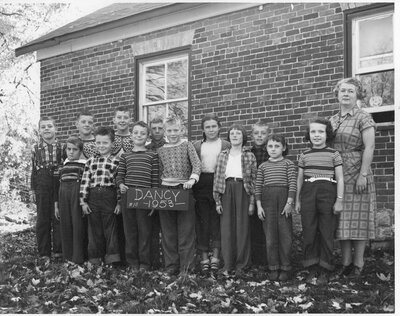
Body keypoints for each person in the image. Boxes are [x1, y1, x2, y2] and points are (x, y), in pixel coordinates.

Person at [329, 77, 376, 277]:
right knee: (343, 220)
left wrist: (363, 174)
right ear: (337, 95)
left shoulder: (363, 117)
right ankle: (345, 262)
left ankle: (358, 264)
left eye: (350, 91)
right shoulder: (332, 120)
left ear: (357, 95)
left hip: (358, 171)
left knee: (359, 219)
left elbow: (370, 146)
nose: (346, 94)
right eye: (343, 91)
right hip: (338, 174)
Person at [295, 118, 344, 285]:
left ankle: (325, 269)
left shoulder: (334, 154)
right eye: (313, 132)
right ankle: (312, 267)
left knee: (326, 231)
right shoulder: (304, 155)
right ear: (308, 135)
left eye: (320, 132)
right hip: (308, 193)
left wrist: (339, 200)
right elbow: (300, 178)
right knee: (309, 230)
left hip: (328, 193)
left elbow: (340, 178)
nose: (317, 135)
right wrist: (297, 200)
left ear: (327, 134)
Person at [157, 116, 201, 276]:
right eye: (169, 130)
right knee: (168, 231)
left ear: (181, 130)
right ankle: (171, 266)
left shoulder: (187, 145)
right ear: (165, 132)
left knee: (186, 230)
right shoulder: (161, 150)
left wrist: (192, 179)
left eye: (176, 130)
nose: (173, 133)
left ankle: (187, 267)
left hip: (184, 189)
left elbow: (196, 164)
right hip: (166, 190)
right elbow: (160, 171)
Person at [213, 124, 257, 277]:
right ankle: (228, 264)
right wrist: (217, 201)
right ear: (229, 136)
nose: (235, 136)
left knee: (242, 229)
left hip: (243, 190)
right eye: (232, 133)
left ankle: (242, 265)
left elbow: (254, 180)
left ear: (243, 136)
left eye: (238, 133)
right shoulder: (223, 155)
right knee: (226, 229)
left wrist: (252, 202)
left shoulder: (249, 155)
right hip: (226, 190)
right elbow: (217, 178)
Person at [116, 121, 159, 272]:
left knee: (145, 231)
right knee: (130, 231)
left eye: (142, 133)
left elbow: (155, 180)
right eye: (136, 133)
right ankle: (132, 262)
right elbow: (120, 176)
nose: (139, 135)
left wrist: (154, 201)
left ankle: (145, 263)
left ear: (147, 136)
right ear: (131, 136)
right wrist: (121, 184)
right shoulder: (125, 156)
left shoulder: (152, 155)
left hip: (145, 197)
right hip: (128, 196)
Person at [192, 114, 231, 275]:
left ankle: (215, 257)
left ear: (219, 127)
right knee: (203, 221)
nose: (211, 130)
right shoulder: (196, 145)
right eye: (207, 127)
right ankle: (203, 258)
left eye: (214, 126)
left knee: (217, 220)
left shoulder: (226, 144)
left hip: (220, 182)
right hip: (201, 183)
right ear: (203, 129)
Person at [255, 134, 296, 281]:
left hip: (284, 200)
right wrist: (259, 206)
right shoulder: (263, 166)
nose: (273, 149)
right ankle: (273, 267)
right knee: (270, 237)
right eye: (270, 146)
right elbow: (258, 187)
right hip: (267, 201)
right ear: (266, 148)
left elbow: (292, 183)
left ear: (283, 148)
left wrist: (289, 203)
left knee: (285, 236)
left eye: (277, 146)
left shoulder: (288, 164)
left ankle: (285, 267)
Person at [79, 127, 121, 265]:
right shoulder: (90, 161)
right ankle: (95, 258)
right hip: (93, 196)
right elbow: (85, 181)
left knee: (110, 229)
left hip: (109, 195)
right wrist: (83, 202)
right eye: (99, 143)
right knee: (94, 228)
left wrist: (119, 202)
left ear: (112, 144)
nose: (101, 146)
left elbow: (119, 183)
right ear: (95, 143)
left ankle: (112, 259)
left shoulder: (117, 161)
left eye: (105, 143)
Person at [30, 116, 63, 260]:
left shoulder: (62, 147)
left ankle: (58, 250)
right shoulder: (35, 148)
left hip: (58, 182)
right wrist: (32, 190)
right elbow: (33, 170)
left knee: (58, 217)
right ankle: (44, 253)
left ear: (55, 128)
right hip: (42, 184)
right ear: (39, 131)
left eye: (49, 126)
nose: (47, 129)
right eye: (43, 127)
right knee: (43, 219)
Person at [54, 136, 86, 264]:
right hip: (63, 196)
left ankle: (78, 258)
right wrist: (56, 205)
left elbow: (86, 184)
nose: (71, 152)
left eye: (75, 149)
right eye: (69, 149)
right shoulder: (62, 166)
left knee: (77, 225)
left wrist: (84, 201)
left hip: (77, 195)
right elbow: (57, 185)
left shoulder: (85, 165)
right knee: (65, 224)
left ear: (80, 151)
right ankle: (67, 257)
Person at [250, 120, 269, 267]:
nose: (259, 136)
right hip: (251, 194)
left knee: (266, 227)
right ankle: (257, 261)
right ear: (252, 136)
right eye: (256, 133)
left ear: (268, 135)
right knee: (254, 227)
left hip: (266, 193)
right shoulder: (248, 153)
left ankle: (268, 260)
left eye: (263, 133)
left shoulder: (271, 151)